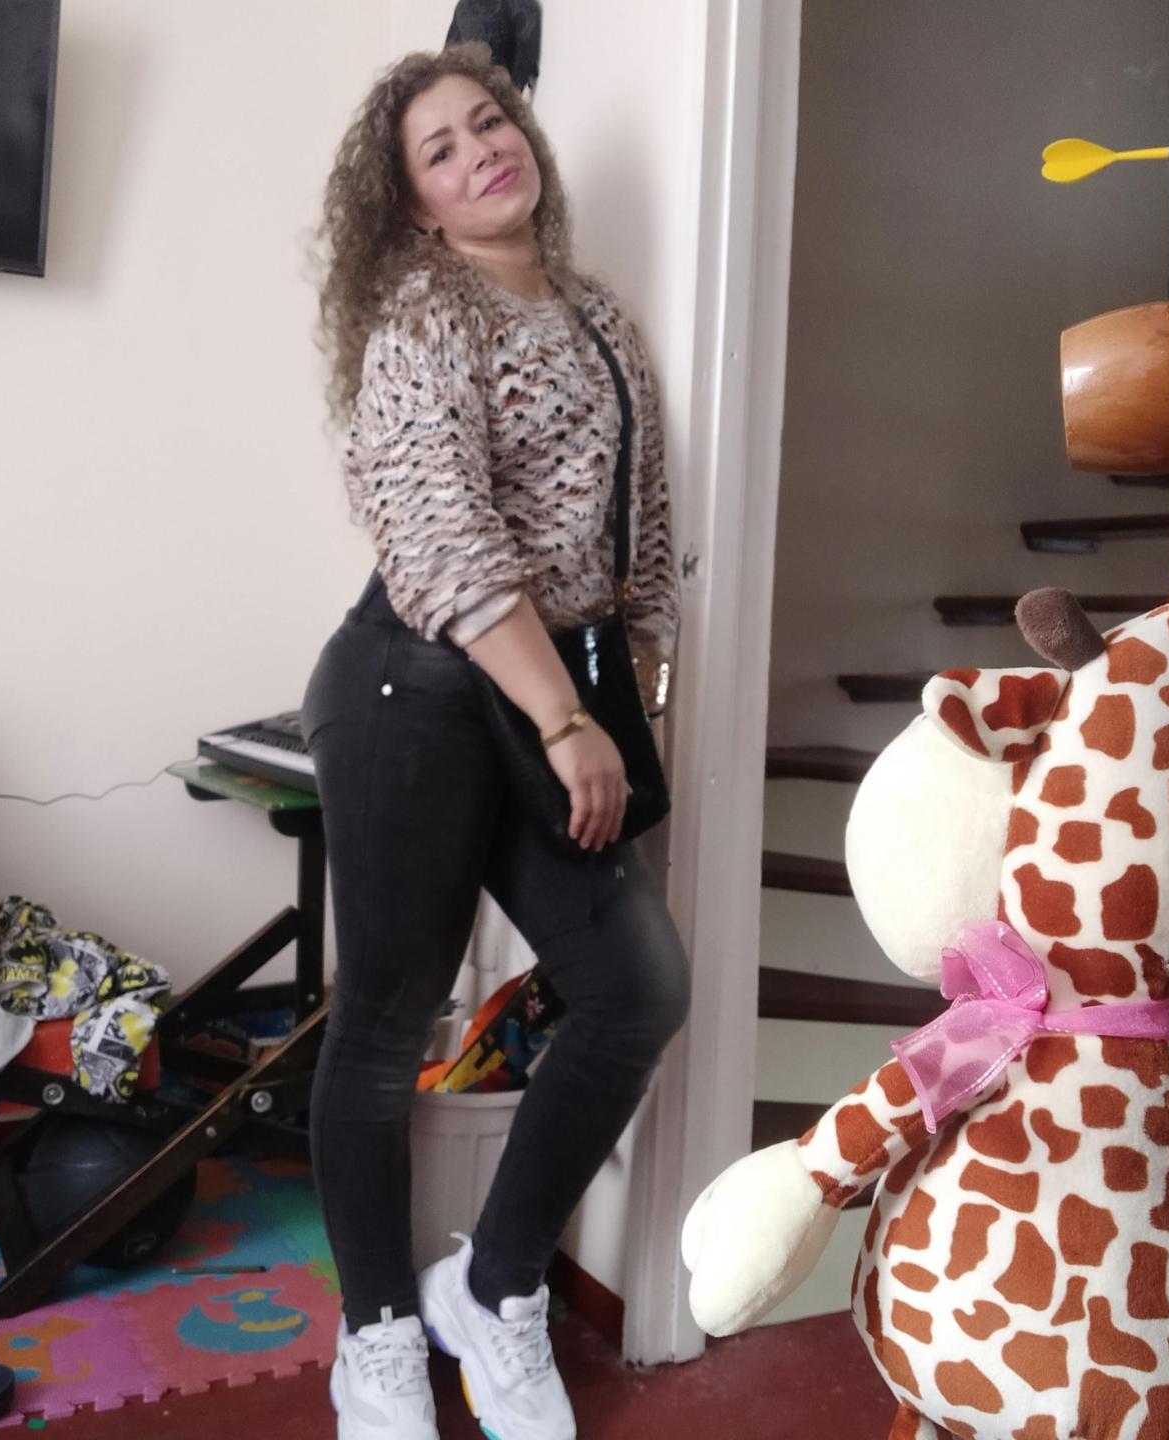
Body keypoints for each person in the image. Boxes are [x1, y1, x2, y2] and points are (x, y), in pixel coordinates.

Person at [303, 42, 691, 1440]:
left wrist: (632, 687)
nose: (483, 153)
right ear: (414, 206)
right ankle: (377, 1335)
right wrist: (565, 718)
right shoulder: (425, 314)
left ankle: (492, 1287)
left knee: (635, 989)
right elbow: (446, 537)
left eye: (491, 123)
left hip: (554, 695)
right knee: (384, 1022)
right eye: (443, 151)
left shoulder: (601, 319)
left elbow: (641, 531)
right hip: (412, 690)